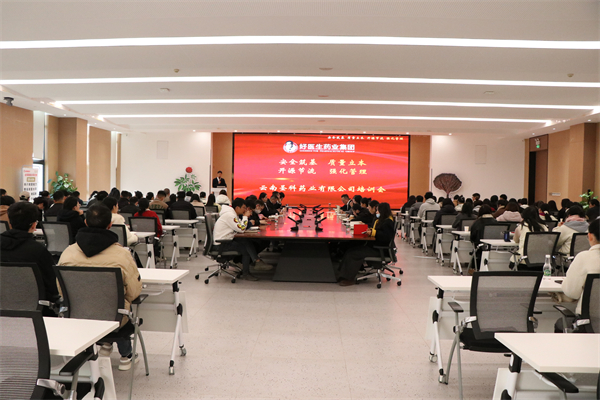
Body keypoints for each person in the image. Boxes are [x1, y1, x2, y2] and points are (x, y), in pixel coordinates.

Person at [58, 205, 142, 370]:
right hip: (114, 317)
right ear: (110, 225)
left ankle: (102, 344)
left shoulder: (68, 252)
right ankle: (126, 355)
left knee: (101, 305)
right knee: (120, 304)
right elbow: (133, 292)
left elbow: (62, 290)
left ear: (85, 222)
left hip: (76, 315)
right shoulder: (122, 254)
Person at [0, 202, 60, 316]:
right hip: (35, 312)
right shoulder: (38, 251)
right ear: (33, 225)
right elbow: (52, 286)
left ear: (10, 223)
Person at [554, 218, 600, 332]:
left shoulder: (584, 258)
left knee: (560, 323)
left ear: (590, 236)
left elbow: (572, 293)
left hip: (589, 324)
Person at [338, 202, 395, 286]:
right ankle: (341, 274)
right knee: (351, 250)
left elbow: (385, 237)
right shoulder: (381, 220)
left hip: (380, 249)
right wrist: (370, 230)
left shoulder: (388, 222)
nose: (376, 212)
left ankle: (348, 279)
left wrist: (373, 232)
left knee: (353, 254)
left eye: (378, 211)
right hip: (375, 246)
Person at [213, 198, 270, 280]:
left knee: (245, 241)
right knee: (245, 249)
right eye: (243, 207)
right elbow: (242, 228)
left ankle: (256, 261)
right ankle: (246, 273)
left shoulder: (232, 214)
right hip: (221, 244)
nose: (245, 209)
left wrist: (245, 218)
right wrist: (245, 217)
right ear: (237, 208)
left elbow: (240, 225)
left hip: (226, 240)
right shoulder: (230, 215)